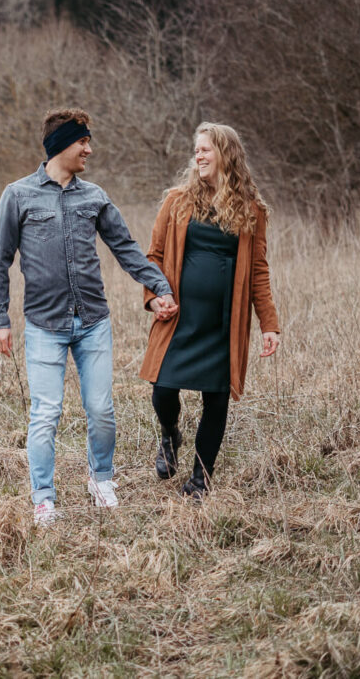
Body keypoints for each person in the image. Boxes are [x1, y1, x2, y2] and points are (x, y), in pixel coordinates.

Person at [0, 108, 177, 526]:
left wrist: (160, 287)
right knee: (45, 413)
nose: (89, 149)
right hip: (43, 326)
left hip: (93, 322)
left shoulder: (95, 196)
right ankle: (43, 498)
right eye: (82, 142)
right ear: (60, 146)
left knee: (102, 409)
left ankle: (101, 478)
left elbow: (126, 249)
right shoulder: (17, 195)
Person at [139, 122, 280, 499]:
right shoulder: (177, 200)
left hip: (223, 321)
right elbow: (152, 257)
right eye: (196, 150)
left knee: (216, 400)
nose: (197, 156)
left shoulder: (251, 210)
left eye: (205, 149)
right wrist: (154, 297)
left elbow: (258, 271)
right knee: (163, 389)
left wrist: (269, 324)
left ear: (225, 154)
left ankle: (201, 479)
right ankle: (170, 434)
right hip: (179, 317)